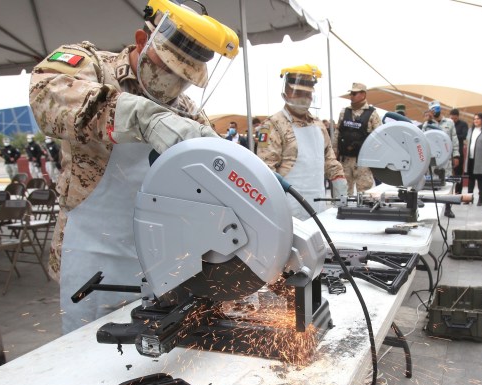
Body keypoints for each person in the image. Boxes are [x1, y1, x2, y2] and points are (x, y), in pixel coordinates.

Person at [29, 0, 235, 332]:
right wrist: (142, 117)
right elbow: (47, 96)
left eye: (183, 77)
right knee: (89, 346)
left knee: (157, 344)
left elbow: (215, 172)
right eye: (165, 67)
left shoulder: (186, 110)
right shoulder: (93, 66)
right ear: (142, 40)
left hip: (161, 254)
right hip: (95, 250)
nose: (171, 82)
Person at [256, 64, 345, 221]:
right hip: (287, 209)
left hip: (318, 205)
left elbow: (330, 160)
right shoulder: (273, 125)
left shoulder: (319, 126)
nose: (304, 97)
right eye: (298, 92)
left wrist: (340, 188)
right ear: (287, 92)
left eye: (307, 93)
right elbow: (266, 170)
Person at [334, 82, 381, 197]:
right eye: (351, 93)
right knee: (343, 192)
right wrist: (334, 152)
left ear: (363, 95)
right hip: (345, 160)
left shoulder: (372, 114)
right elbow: (337, 133)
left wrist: (373, 156)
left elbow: (380, 138)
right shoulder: (344, 112)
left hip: (363, 161)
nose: (351, 96)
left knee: (364, 193)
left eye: (354, 94)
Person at [423, 101, 460, 217]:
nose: (434, 111)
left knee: (447, 182)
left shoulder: (449, 123)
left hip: (446, 158)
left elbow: (454, 139)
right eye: (432, 109)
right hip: (433, 158)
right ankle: (433, 207)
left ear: (440, 109)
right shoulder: (427, 124)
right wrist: (428, 121)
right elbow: (422, 138)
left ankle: (448, 208)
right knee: (432, 182)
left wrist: (456, 155)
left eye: (436, 109)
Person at [464, 113, 482, 206]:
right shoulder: (471, 130)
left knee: (480, 180)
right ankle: (469, 198)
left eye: (478, 119)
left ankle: (480, 199)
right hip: (470, 158)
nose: (476, 121)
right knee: (471, 179)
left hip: (481, 159)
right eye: (474, 119)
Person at [449, 108, 468, 187]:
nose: (453, 120)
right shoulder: (448, 124)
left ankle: (458, 191)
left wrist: (453, 136)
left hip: (458, 152)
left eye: (455, 118)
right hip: (448, 151)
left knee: (458, 173)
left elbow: (464, 136)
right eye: (452, 118)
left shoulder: (463, 124)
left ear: (458, 117)